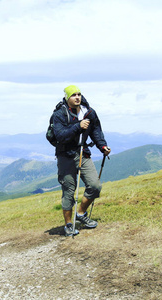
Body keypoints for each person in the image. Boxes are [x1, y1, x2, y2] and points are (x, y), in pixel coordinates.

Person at [52, 85, 111, 236]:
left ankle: (80, 214)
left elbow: (96, 131)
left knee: (95, 185)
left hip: (82, 153)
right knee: (68, 192)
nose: (77, 97)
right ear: (67, 97)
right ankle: (68, 225)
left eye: (79, 94)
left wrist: (103, 146)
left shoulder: (89, 112)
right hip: (66, 156)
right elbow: (60, 136)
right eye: (73, 95)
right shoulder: (59, 114)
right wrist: (78, 126)